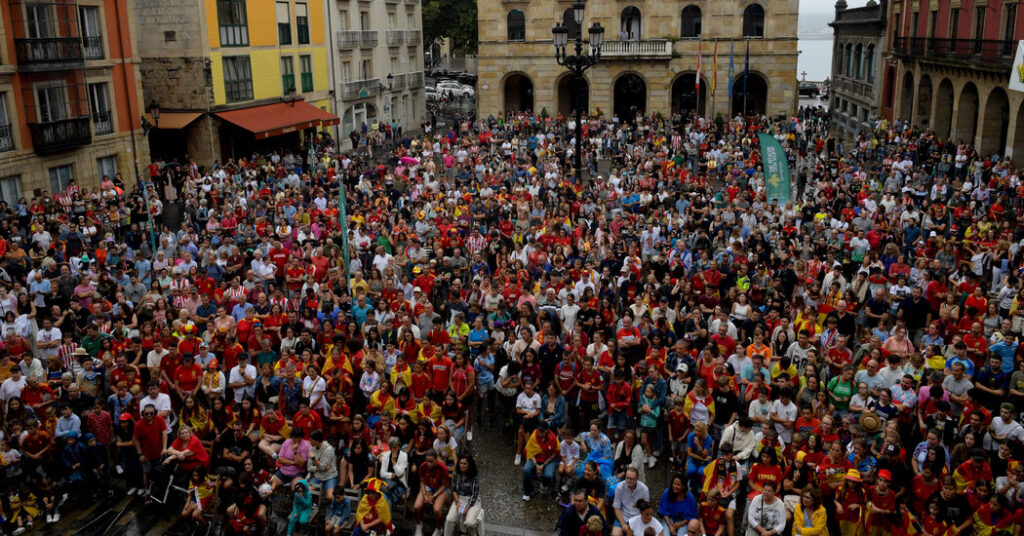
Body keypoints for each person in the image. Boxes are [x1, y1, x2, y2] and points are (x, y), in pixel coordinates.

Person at [414, 449, 449, 536]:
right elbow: (422, 482)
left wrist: (434, 496)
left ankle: (438, 528)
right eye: (427, 461)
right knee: (417, 507)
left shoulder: (443, 468)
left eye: (431, 462)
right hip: (428, 487)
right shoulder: (423, 467)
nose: (429, 464)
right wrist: (425, 494)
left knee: (437, 509)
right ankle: (418, 525)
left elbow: (444, 486)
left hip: (441, 489)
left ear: (436, 460)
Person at [522, 420, 559, 501]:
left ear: (547, 430)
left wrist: (543, 465)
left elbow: (554, 454)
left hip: (548, 459)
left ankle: (544, 483)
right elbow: (530, 451)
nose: (540, 432)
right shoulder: (534, 435)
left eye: (542, 431)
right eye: (539, 430)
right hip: (536, 458)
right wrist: (536, 465)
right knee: (526, 470)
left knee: (548, 475)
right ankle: (527, 492)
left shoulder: (552, 438)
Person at [445, 454, 482, 536]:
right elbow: (454, 490)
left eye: (465, 463)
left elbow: (475, 494)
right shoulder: (456, 474)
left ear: (469, 465)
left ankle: (474, 533)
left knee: (469, 523)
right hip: (459, 499)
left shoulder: (474, 476)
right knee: (449, 519)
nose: (462, 465)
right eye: (461, 463)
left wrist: (467, 508)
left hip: (472, 501)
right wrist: (457, 503)